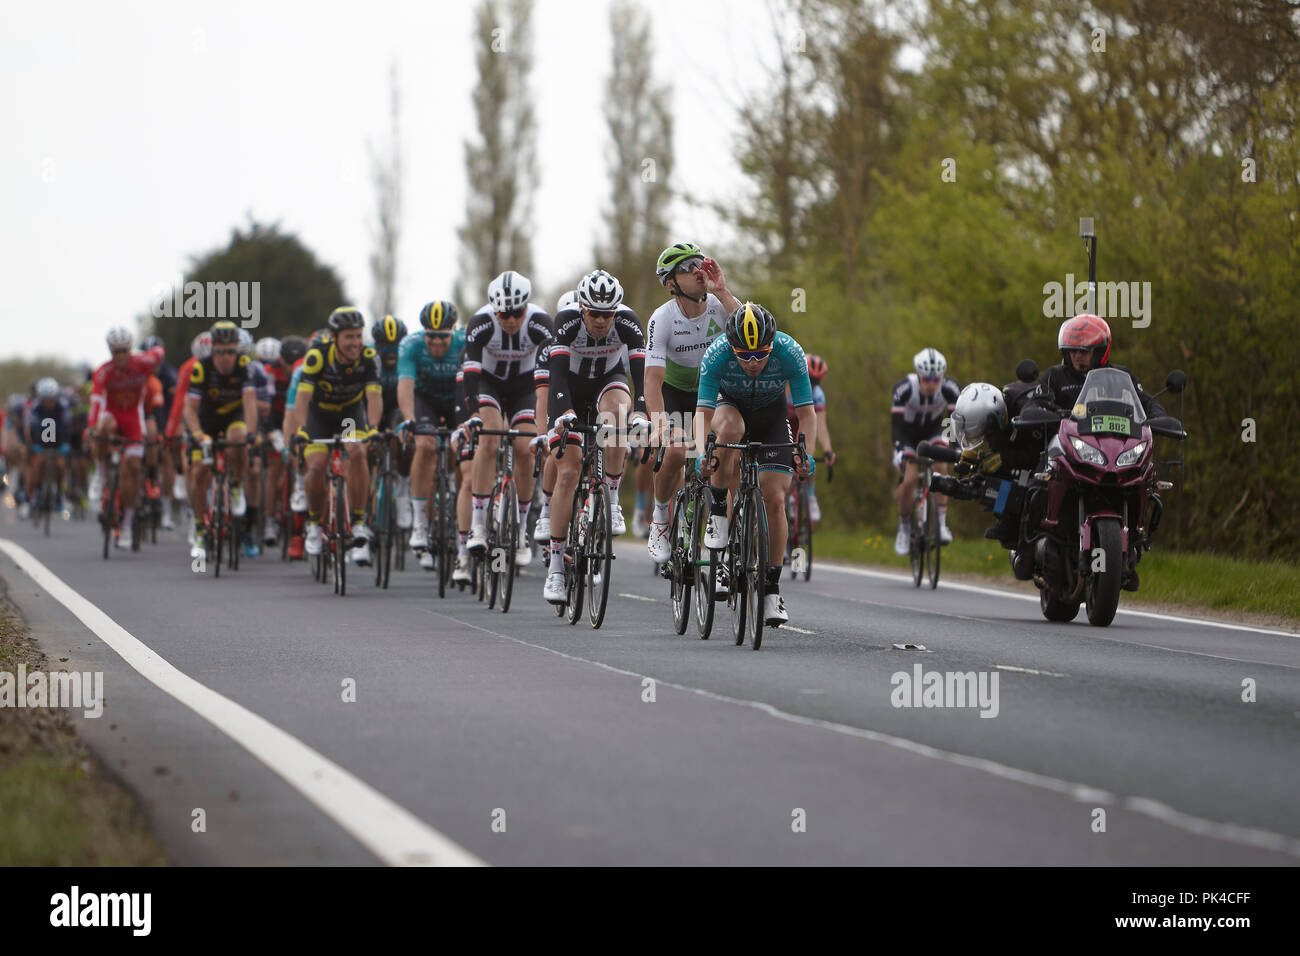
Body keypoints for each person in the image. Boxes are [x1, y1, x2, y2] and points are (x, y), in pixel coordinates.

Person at [695, 303, 816, 627]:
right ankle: (719, 511)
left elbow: (806, 413)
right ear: (731, 346)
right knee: (730, 433)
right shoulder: (717, 354)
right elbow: (704, 413)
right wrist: (701, 454)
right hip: (729, 407)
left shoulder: (790, 353)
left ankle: (771, 589)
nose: (752, 362)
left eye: (760, 354)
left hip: (771, 415)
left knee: (775, 499)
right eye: (744, 355)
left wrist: (808, 455)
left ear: (771, 344)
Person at [540, 269, 649, 604]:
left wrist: (642, 412)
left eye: (608, 314)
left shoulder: (628, 322)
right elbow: (556, 377)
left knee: (617, 416)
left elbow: (640, 376)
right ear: (583, 308)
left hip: (607, 382)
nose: (602, 321)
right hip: (570, 390)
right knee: (569, 472)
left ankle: (611, 500)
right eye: (595, 314)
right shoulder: (567, 321)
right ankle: (556, 569)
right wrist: (562, 415)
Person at [643, 242, 741, 562]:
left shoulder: (717, 305)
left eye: (700, 263)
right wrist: (659, 425)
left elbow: (751, 327)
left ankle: (723, 527)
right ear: (671, 283)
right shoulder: (663, 319)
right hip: (676, 393)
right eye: (687, 268)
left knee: (726, 448)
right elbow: (653, 381)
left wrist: (723, 291)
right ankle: (660, 518)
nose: (698, 271)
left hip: (713, 393)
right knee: (675, 448)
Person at [461, 271, 553, 566]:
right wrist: (473, 414)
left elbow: (554, 370)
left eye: (517, 312)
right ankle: (477, 524)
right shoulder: (481, 323)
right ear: (494, 309)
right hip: (489, 384)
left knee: (525, 449)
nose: (512, 320)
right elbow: (470, 374)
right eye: (504, 313)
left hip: (525, 387)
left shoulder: (540, 322)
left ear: (526, 307)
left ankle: (521, 529)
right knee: (487, 441)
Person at [295, 309, 383, 565]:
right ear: (334, 337)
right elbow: (302, 399)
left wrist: (374, 427)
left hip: (348, 415)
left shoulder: (368, 357)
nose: (355, 342)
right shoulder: (317, 356)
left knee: (357, 452)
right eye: (349, 337)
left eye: (358, 336)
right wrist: (301, 429)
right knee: (317, 467)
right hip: (319, 416)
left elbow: (374, 397)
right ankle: (313, 524)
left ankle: (357, 522)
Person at [397, 301, 468, 572]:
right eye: (431, 336)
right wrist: (409, 420)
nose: (437, 342)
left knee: (460, 448)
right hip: (424, 401)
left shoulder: (464, 343)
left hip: (455, 401)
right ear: (423, 333)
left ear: (453, 333)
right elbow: (405, 386)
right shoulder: (411, 345)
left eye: (443, 336)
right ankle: (419, 523)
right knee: (425, 446)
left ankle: (454, 484)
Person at [182, 321, 260, 558]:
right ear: (212, 350)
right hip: (206, 421)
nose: (226, 358)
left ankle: (235, 485)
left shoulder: (245, 366)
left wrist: (251, 435)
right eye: (220, 352)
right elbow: (190, 409)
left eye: (230, 351)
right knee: (198, 472)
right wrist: (197, 435)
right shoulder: (201, 368)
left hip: (233, 418)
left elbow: (249, 402)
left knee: (238, 437)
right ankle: (199, 528)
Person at [88, 327, 165, 548]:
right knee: (103, 428)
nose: (120, 356)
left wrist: (152, 352)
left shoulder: (142, 363)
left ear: (129, 350)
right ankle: (100, 474)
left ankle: (128, 525)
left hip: (133, 415)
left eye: (124, 351)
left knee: (132, 468)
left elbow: (159, 351)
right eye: (115, 352)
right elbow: (96, 401)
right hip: (112, 414)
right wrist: (91, 427)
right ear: (110, 352)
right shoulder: (104, 372)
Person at [1025, 314, 1165, 418]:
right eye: (1073, 350)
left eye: (1084, 351)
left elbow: (1146, 402)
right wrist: (1043, 413)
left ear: (1099, 352)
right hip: (1067, 446)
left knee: (1148, 458)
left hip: (1116, 444)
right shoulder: (1054, 376)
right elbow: (1034, 404)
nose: (1077, 356)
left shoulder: (1121, 376)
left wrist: (1158, 417)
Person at [891, 348, 960, 555]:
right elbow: (896, 427)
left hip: (933, 431)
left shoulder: (950, 388)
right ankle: (904, 526)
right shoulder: (903, 388)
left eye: (936, 378)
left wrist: (957, 450)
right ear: (919, 375)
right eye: (927, 378)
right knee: (910, 479)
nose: (931, 383)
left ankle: (941, 523)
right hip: (907, 435)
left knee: (940, 465)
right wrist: (902, 451)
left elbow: (953, 423)